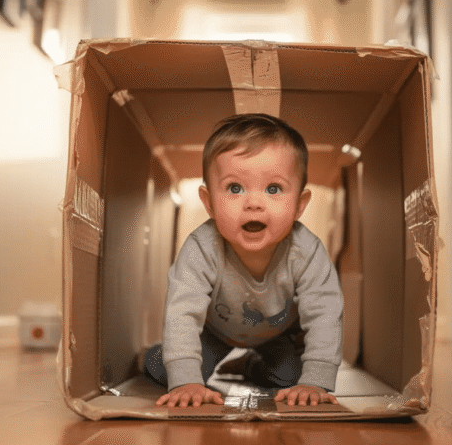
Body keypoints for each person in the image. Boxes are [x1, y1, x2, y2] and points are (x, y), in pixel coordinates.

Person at [143, 113, 344, 408]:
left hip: (278, 334)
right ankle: (155, 355)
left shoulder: (307, 251)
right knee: (170, 371)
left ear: (299, 206)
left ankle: (249, 365)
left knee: (294, 379)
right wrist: (186, 382)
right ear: (209, 202)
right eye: (235, 188)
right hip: (214, 332)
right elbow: (182, 312)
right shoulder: (202, 247)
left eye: (273, 189)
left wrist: (316, 380)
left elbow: (325, 312)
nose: (253, 202)